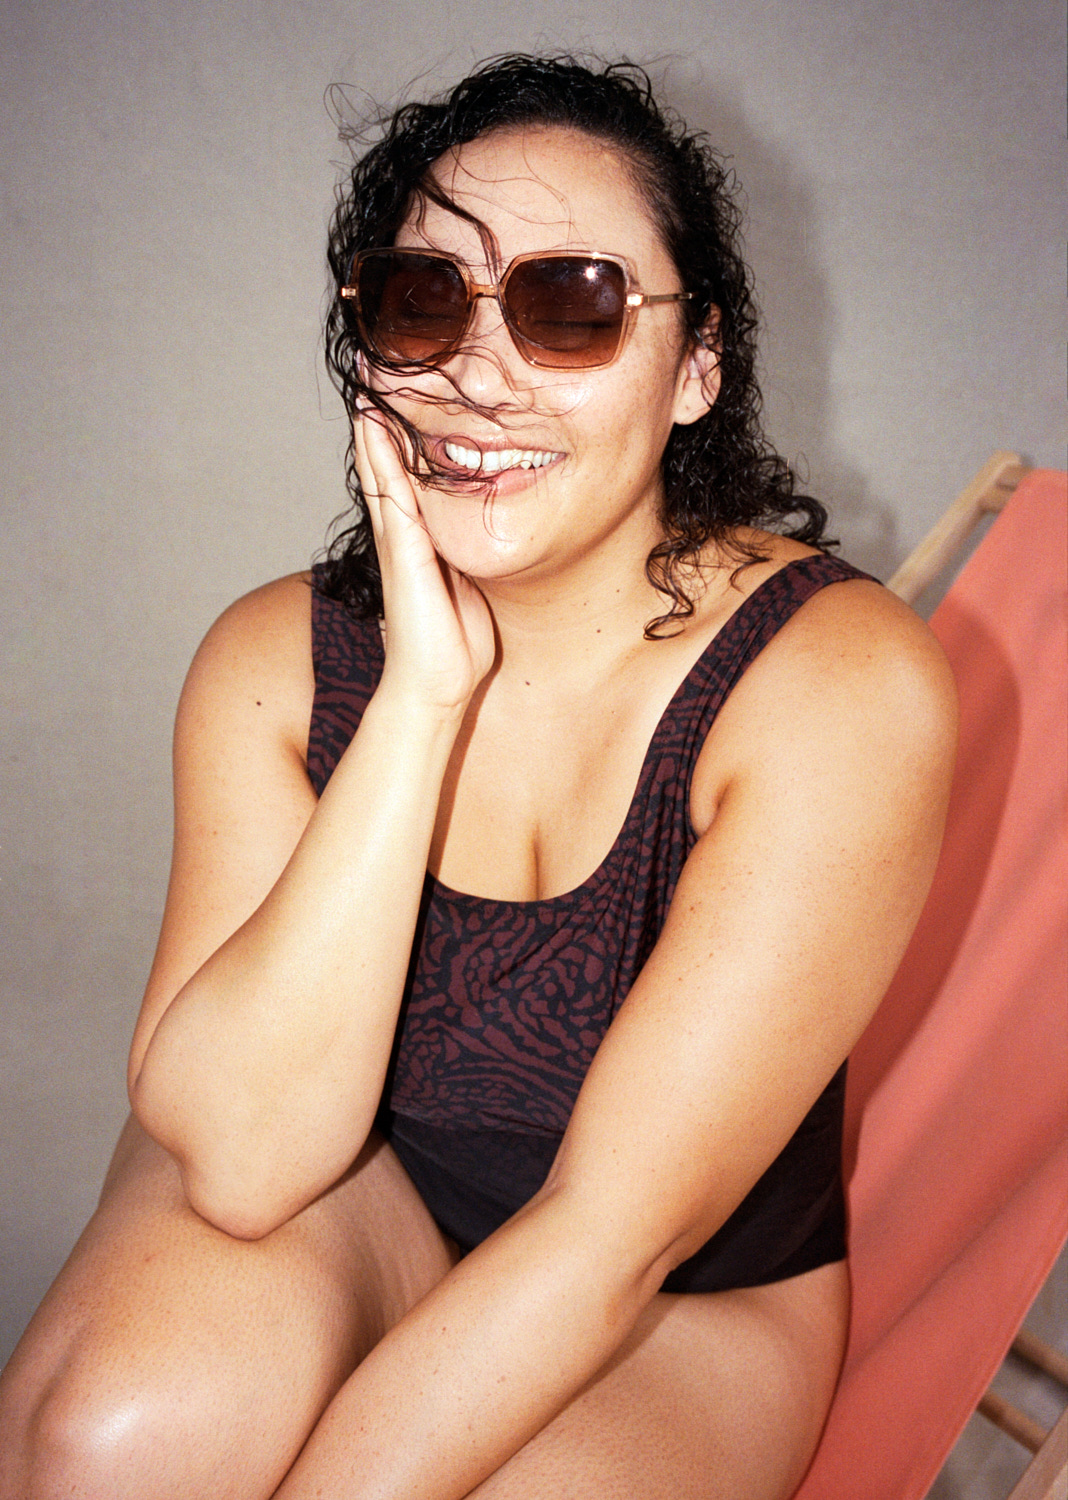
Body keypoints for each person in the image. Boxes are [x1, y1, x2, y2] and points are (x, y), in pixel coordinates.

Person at [0, 55, 956, 1500]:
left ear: (697, 365)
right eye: (424, 300)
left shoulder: (831, 687)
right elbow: (247, 1163)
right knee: (109, 1438)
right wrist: (421, 700)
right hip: (363, 1189)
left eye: (570, 305)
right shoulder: (274, 662)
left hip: (674, 1293)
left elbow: (608, 1235)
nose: (480, 372)